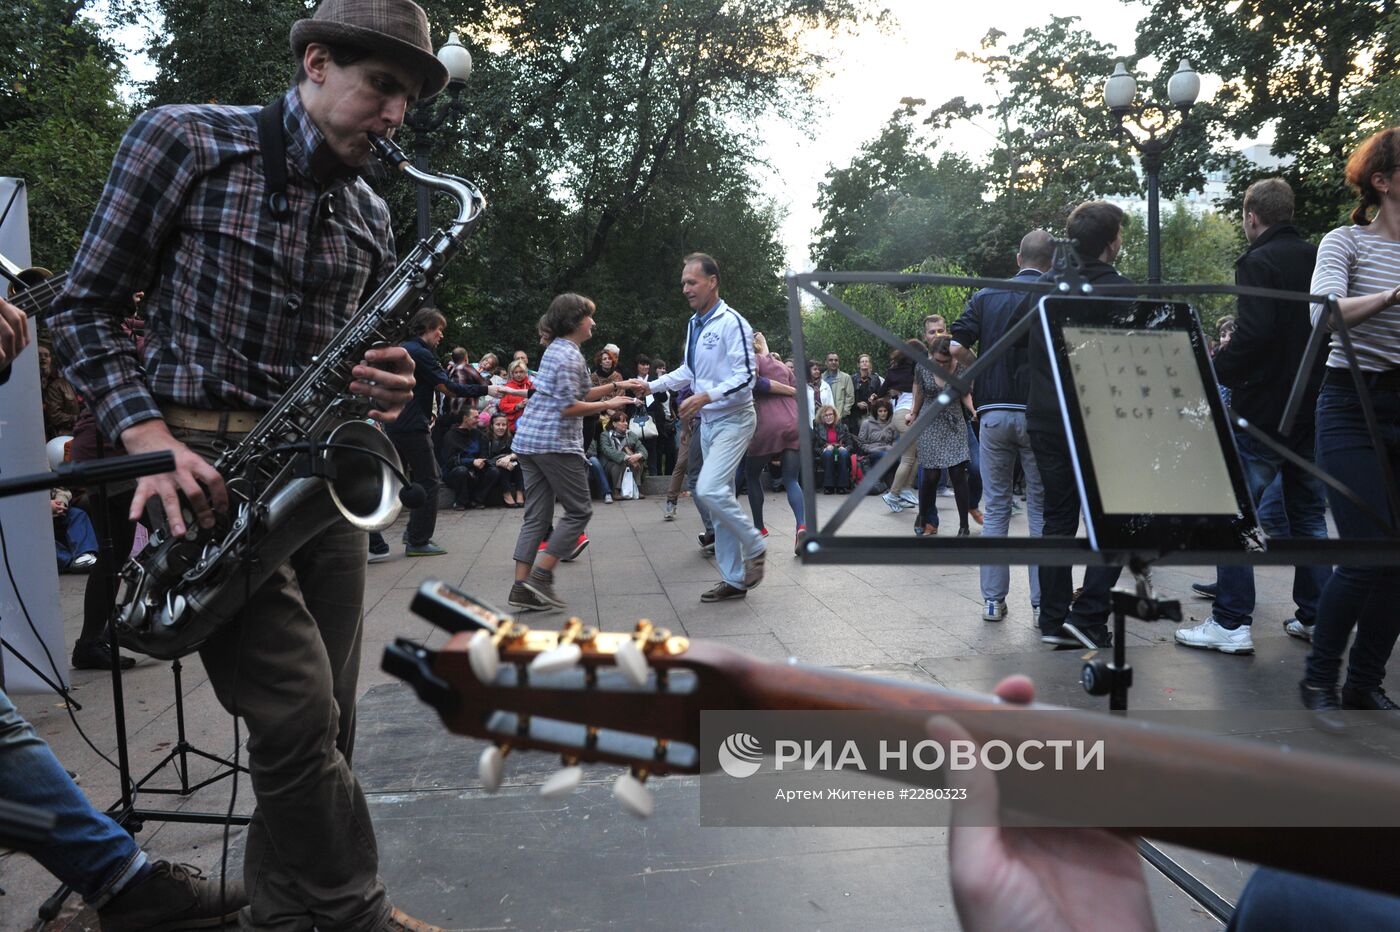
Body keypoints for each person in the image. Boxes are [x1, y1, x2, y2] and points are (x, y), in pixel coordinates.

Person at [47, 1, 454, 927]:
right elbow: (80, 309)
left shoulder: (370, 209)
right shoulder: (184, 139)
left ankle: (282, 912)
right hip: (202, 470)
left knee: (328, 728)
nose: (396, 117)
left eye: (409, 100)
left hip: (315, 479)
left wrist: (386, 382)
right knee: (295, 717)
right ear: (315, 62)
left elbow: (364, 358)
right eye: (381, 87)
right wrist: (146, 440)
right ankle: (353, 912)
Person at [1175, 178, 1330, 656]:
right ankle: (1317, 616)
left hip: (1263, 409)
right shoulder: (1315, 256)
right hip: (1312, 403)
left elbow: (1257, 332)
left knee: (1234, 513)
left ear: (1251, 217)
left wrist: (1217, 370)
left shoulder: (1257, 260)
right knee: (1308, 516)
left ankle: (1231, 622)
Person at [1299, 127, 1400, 726]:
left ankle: (1365, 682)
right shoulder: (1346, 242)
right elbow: (1325, 315)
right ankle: (1319, 679)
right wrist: (1393, 294)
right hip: (1351, 405)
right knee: (1367, 553)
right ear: (1383, 182)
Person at [1019, 201, 1133, 650]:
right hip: (1100, 420)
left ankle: (1052, 619)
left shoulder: (1045, 288)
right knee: (1118, 521)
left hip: (1047, 417)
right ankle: (1088, 617)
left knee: (1057, 519)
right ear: (1110, 242)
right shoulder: (1121, 290)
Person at [622, 253, 765, 601]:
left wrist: (705, 397)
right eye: (683, 282)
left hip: (735, 418)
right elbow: (689, 371)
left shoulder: (734, 323)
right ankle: (734, 579)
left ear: (712, 281)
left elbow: (746, 377)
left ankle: (754, 543)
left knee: (710, 490)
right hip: (710, 422)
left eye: (692, 282)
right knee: (719, 497)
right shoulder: (693, 323)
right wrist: (650, 386)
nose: (685, 288)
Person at [508, 293, 636, 611]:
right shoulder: (568, 356)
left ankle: (521, 587)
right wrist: (609, 404)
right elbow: (569, 407)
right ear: (575, 321)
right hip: (553, 444)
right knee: (579, 510)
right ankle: (540, 577)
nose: (593, 321)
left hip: (529, 442)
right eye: (589, 316)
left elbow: (579, 391)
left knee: (536, 517)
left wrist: (618, 386)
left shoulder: (562, 351)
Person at [951, 229, 1051, 623]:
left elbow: (954, 348)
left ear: (1017, 258)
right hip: (1038, 412)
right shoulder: (1053, 293)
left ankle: (993, 601)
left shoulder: (985, 295)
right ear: (1051, 262)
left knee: (996, 509)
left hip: (992, 411)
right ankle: (1044, 602)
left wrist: (985, 363)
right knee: (1040, 510)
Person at [389, 308, 518, 557]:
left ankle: (399, 535)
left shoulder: (407, 348)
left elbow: (442, 389)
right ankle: (417, 540)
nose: (441, 335)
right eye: (439, 329)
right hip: (411, 426)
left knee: (400, 478)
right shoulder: (421, 354)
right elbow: (449, 387)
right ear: (427, 326)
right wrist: (486, 391)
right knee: (429, 480)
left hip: (398, 422)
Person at [744, 331, 804, 553]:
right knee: (791, 479)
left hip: (768, 423)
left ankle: (759, 527)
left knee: (751, 474)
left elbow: (755, 383)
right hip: (793, 420)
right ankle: (801, 526)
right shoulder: (783, 367)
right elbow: (796, 391)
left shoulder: (752, 360)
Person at [909, 336, 975, 536]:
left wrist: (973, 410)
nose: (941, 365)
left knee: (957, 474)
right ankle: (923, 514)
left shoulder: (961, 369)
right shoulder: (923, 367)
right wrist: (913, 413)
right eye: (937, 361)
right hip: (929, 420)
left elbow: (965, 394)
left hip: (953, 422)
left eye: (945, 362)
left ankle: (964, 526)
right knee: (931, 475)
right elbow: (920, 392)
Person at [881, 340, 923, 511]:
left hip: (900, 415)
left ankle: (900, 493)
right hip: (908, 415)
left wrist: (892, 391)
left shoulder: (894, 371)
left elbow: (882, 390)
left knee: (915, 455)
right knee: (908, 457)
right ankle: (895, 492)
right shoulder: (917, 371)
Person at [596, 409, 647, 498]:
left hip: (629, 462)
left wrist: (638, 455)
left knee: (639, 461)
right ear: (614, 424)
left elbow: (642, 449)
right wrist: (625, 457)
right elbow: (607, 450)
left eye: (626, 421)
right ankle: (616, 491)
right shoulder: (605, 435)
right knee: (619, 463)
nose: (626, 423)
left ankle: (637, 489)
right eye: (622, 421)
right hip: (610, 464)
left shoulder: (631, 434)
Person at [38, 344, 82, 440]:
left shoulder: (60, 377)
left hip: (72, 430)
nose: (43, 358)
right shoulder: (31, 380)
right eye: (39, 355)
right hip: (49, 428)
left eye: (46, 355)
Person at [812, 404, 857, 494]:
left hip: (840, 451)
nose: (829, 417)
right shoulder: (818, 428)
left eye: (830, 414)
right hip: (825, 454)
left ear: (834, 415)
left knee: (843, 454)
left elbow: (850, 444)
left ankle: (842, 486)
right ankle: (829, 486)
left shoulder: (843, 427)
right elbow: (815, 447)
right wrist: (824, 449)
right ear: (822, 417)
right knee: (828, 453)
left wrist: (845, 448)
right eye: (826, 415)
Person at [497, 357, 533, 429]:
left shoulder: (532, 385)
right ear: (512, 374)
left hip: (529, 424)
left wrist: (530, 401)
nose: (518, 374)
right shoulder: (507, 387)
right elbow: (502, 406)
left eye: (521, 372)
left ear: (526, 372)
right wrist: (517, 406)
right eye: (516, 372)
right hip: (512, 426)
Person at [851, 353, 884, 430]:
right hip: (856, 414)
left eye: (866, 361)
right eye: (862, 361)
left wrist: (875, 398)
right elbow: (848, 397)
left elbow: (880, 396)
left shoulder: (875, 379)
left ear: (869, 364)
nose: (864, 363)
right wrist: (857, 404)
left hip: (872, 412)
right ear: (858, 365)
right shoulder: (852, 379)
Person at [822, 351, 855, 427]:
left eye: (836, 360)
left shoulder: (846, 377)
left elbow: (850, 397)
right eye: (830, 360)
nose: (834, 362)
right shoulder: (821, 378)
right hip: (824, 418)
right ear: (826, 362)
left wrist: (843, 413)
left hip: (841, 418)